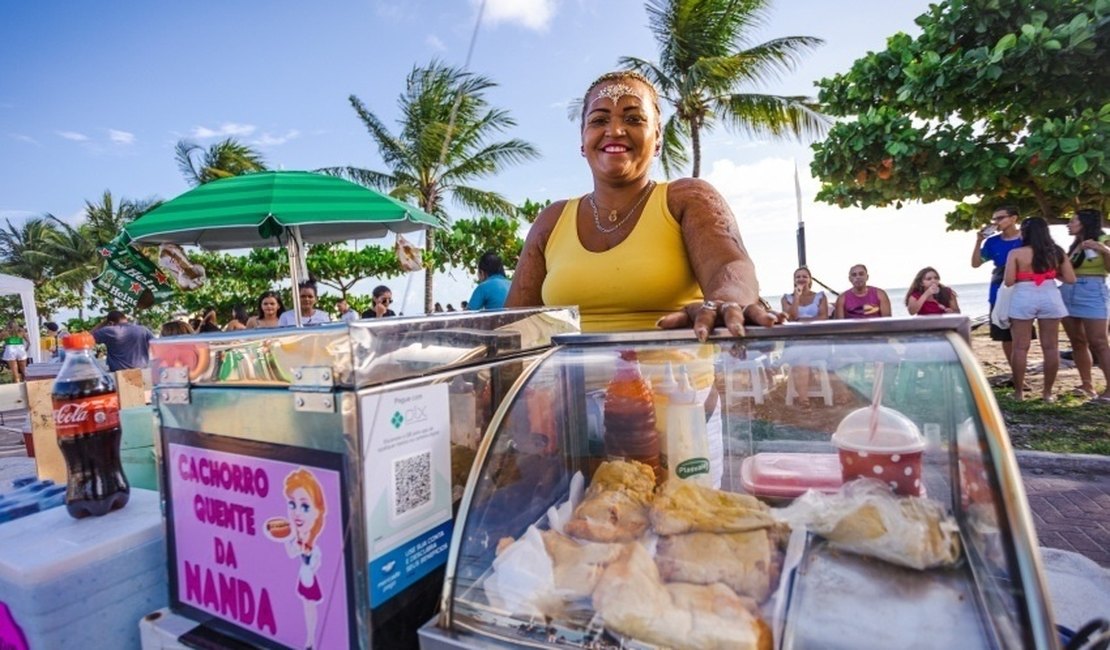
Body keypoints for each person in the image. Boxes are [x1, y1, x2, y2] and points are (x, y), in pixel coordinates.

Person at [504, 70, 775, 339]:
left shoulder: (687, 198)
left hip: (676, 382)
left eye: (634, 119)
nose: (615, 131)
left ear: (657, 137)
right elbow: (516, 324)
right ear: (583, 140)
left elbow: (729, 266)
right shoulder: (552, 220)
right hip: (572, 382)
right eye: (599, 120)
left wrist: (725, 301)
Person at [1003, 217, 1076, 402]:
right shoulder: (1056, 252)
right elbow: (1070, 279)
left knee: (1020, 347)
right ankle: (1047, 394)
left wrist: (1026, 274)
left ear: (1025, 232)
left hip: (1024, 294)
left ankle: (1019, 393)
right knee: (1051, 347)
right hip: (1049, 293)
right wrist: (1049, 273)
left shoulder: (1016, 253)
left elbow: (1009, 281)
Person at [1060, 208, 1110, 401]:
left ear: (1085, 224)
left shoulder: (1103, 240)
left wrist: (1104, 250)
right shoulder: (1075, 245)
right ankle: (1087, 384)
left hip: (1092, 289)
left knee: (1099, 342)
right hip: (1068, 289)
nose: (1068, 224)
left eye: (1073, 221)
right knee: (1077, 341)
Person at [973, 205, 1026, 371]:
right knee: (1005, 335)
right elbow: (975, 263)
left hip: (1023, 287)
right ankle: (1016, 373)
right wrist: (978, 241)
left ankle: (1021, 370)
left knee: (1022, 335)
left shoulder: (1026, 238)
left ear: (1014, 218)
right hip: (999, 289)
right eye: (994, 219)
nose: (996, 222)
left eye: (1000, 218)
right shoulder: (992, 241)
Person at [280, 468, 327, 650]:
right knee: (307, 607)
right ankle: (310, 639)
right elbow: (291, 553)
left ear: (317, 512)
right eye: (292, 505)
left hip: (309, 578)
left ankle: (312, 639)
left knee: (310, 607)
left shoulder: (314, 543)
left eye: (305, 506)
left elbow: (318, 561)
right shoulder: (298, 539)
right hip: (304, 577)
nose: (297, 513)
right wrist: (285, 538)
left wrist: (312, 567)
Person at [779, 267, 828, 407]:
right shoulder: (786, 298)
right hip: (796, 340)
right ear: (794, 280)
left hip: (816, 340)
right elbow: (792, 317)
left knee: (801, 353)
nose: (801, 279)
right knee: (802, 357)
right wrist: (797, 297)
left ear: (810, 279)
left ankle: (780, 361)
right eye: (798, 277)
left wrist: (805, 322)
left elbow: (824, 317)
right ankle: (804, 400)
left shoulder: (820, 296)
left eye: (804, 276)